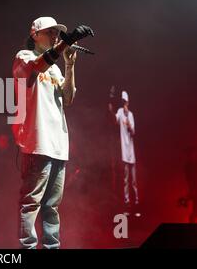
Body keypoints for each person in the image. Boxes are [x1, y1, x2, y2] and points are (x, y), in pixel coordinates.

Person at [12, 16, 94, 249]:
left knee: (52, 206)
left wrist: (70, 65)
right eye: (50, 32)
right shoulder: (23, 57)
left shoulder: (56, 68)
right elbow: (38, 66)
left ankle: (52, 247)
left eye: (58, 33)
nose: (55, 36)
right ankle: (27, 247)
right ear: (35, 34)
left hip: (58, 145)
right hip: (37, 143)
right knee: (31, 203)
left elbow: (68, 98)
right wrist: (65, 43)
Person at [113, 91, 139, 207]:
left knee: (134, 180)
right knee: (125, 179)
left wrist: (128, 124)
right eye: (123, 102)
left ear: (128, 102)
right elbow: (114, 120)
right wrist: (110, 110)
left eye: (126, 102)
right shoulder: (119, 112)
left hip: (131, 152)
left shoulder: (131, 115)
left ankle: (136, 199)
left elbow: (133, 132)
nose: (124, 104)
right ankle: (127, 200)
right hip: (124, 151)